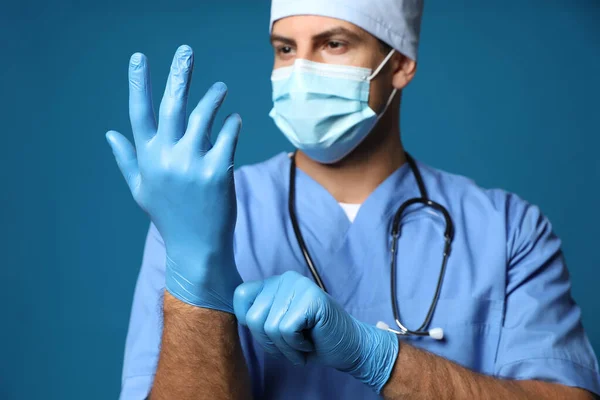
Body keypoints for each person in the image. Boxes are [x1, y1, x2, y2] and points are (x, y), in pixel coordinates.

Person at [107, 0, 600, 399]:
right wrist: (196, 282)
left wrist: (375, 356)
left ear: (400, 64)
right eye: (284, 48)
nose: (300, 71)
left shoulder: (508, 229)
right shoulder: (198, 215)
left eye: (334, 44)